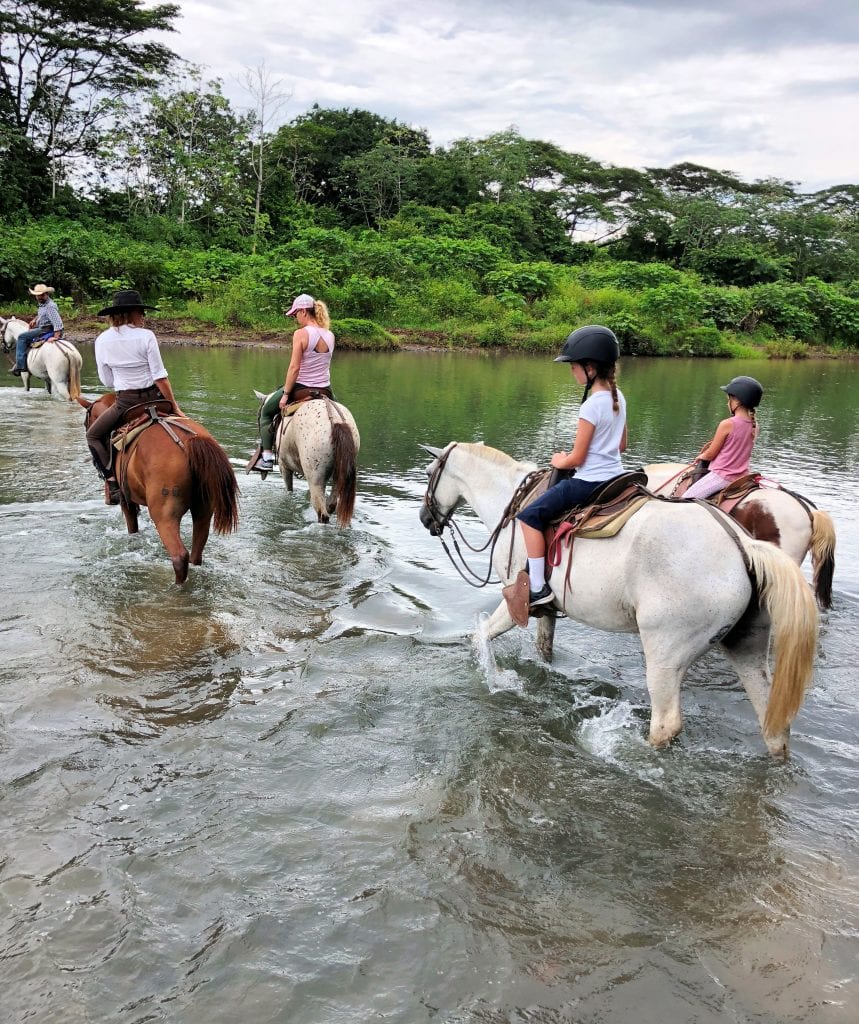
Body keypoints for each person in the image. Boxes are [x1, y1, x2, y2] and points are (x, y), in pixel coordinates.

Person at [516, 325, 628, 609]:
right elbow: (622, 445)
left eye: (573, 366)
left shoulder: (591, 405)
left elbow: (576, 459)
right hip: (616, 478)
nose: (572, 371)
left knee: (529, 516)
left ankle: (538, 588)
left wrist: (559, 460)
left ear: (589, 368)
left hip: (589, 482)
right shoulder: (618, 398)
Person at [86, 289, 185, 505]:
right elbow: (160, 378)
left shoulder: (102, 340)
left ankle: (112, 482)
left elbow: (107, 381)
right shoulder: (147, 336)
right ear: (131, 313)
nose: (144, 317)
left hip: (127, 404)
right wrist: (174, 407)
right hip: (157, 399)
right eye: (141, 312)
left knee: (93, 436)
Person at [255, 293, 335, 471]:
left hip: (301, 388)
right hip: (325, 389)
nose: (295, 318)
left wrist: (285, 395)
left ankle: (267, 458)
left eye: (295, 314)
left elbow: (294, 368)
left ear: (304, 312)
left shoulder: (301, 334)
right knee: (337, 417)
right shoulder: (330, 335)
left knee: (266, 413)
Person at [682, 376, 762, 500]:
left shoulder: (727, 424)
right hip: (742, 477)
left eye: (728, 399)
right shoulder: (755, 426)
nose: (727, 403)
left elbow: (711, 454)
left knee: (684, 500)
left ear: (737, 401)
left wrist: (700, 457)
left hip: (721, 476)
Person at [10, 283, 64, 375]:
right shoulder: (43, 304)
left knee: (22, 337)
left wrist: (56, 336)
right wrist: (35, 319)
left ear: (47, 294)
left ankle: (20, 366)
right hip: (43, 327)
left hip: (46, 330)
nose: (39, 297)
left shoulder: (50, 306)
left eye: (42, 295)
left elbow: (57, 322)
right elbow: (42, 314)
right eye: (38, 296)